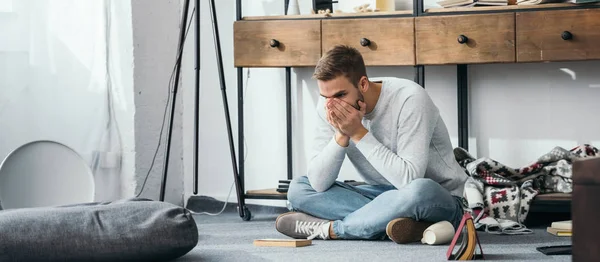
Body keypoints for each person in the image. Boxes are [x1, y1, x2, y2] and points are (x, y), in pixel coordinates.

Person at [275, 45, 469, 244]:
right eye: (326, 97)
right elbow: (318, 183)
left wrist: (358, 132)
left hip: (438, 197)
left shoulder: (410, 98)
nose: (333, 105)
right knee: (299, 188)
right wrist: (342, 135)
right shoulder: (327, 105)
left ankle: (333, 229)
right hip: (380, 195)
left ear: (363, 84)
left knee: (420, 190)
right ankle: (401, 224)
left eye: (341, 95)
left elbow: (409, 179)